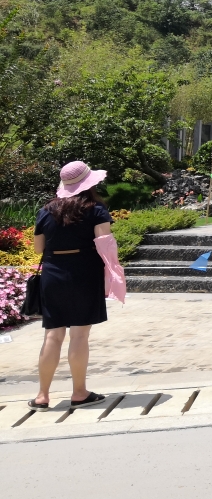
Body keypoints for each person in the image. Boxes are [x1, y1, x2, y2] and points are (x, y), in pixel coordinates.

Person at [28, 161, 113, 410]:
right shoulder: (95, 209)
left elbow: (38, 248)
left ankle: (42, 395)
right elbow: (105, 244)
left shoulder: (46, 211)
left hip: (53, 273)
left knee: (52, 335)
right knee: (79, 334)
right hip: (84, 272)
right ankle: (79, 392)